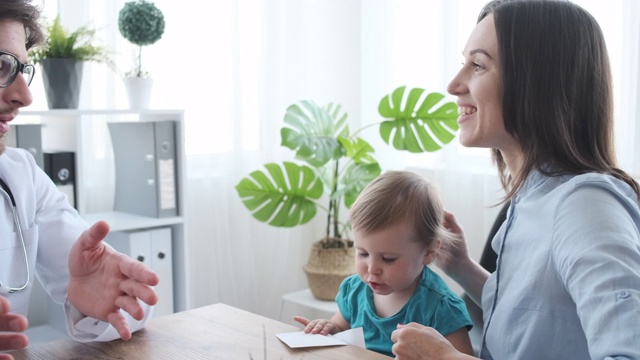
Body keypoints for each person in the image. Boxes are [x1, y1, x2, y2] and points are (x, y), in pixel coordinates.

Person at [390, 0, 640, 359]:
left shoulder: (586, 206)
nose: (454, 85)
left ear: (537, 80)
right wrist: (462, 268)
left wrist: (447, 358)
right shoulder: (532, 199)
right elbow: (538, 319)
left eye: (477, 65)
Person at [0, 0, 159, 355]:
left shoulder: (20, 176)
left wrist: (100, 297)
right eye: (0, 66)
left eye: (22, 70)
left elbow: (129, 307)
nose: (24, 96)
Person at [294, 170, 474, 357]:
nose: (372, 268)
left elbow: (462, 357)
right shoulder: (354, 290)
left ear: (429, 252)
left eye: (388, 259)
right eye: (362, 253)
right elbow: (340, 326)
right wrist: (329, 327)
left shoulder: (442, 307)